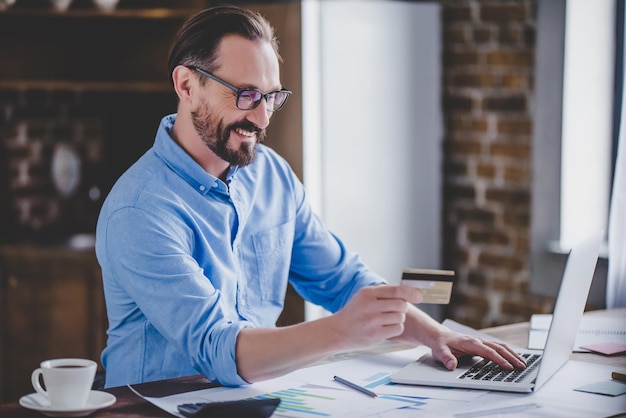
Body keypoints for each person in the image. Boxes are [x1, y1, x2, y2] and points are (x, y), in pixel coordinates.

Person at [95, 5, 526, 388]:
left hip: (253, 398)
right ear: (187, 85)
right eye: (245, 95)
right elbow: (217, 348)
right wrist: (341, 332)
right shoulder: (139, 211)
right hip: (155, 405)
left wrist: (436, 335)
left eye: (271, 97)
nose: (262, 117)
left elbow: (342, 280)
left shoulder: (271, 175)